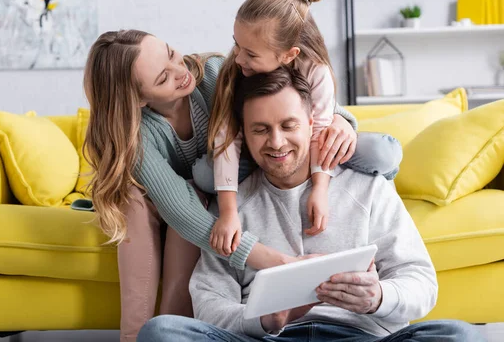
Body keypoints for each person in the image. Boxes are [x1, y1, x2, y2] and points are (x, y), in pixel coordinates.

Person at [138, 68, 484, 342]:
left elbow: (421, 282)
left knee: (461, 335)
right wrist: (265, 318)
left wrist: (378, 297)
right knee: (163, 332)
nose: (276, 143)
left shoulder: (369, 188)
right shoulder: (231, 206)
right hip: (269, 338)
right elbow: (209, 300)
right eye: (260, 130)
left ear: (312, 124)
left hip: (361, 335)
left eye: (288, 126)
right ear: (243, 133)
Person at [81, 30, 360, 341]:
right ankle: (136, 336)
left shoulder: (212, 73)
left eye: (172, 54)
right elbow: (184, 211)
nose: (180, 72)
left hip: (215, 187)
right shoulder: (135, 136)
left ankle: (177, 328)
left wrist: (341, 119)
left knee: (202, 182)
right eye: (162, 78)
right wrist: (281, 263)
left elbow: (286, 96)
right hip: (170, 204)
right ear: (139, 99)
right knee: (139, 199)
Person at [201, 0, 402, 257]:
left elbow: (318, 130)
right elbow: (226, 140)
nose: (238, 58)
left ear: (289, 55)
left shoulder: (315, 71)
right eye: (236, 45)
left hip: (311, 144)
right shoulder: (236, 69)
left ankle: (380, 197)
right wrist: (229, 211)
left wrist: (320, 187)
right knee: (206, 177)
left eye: (251, 54)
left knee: (383, 154)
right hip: (257, 151)